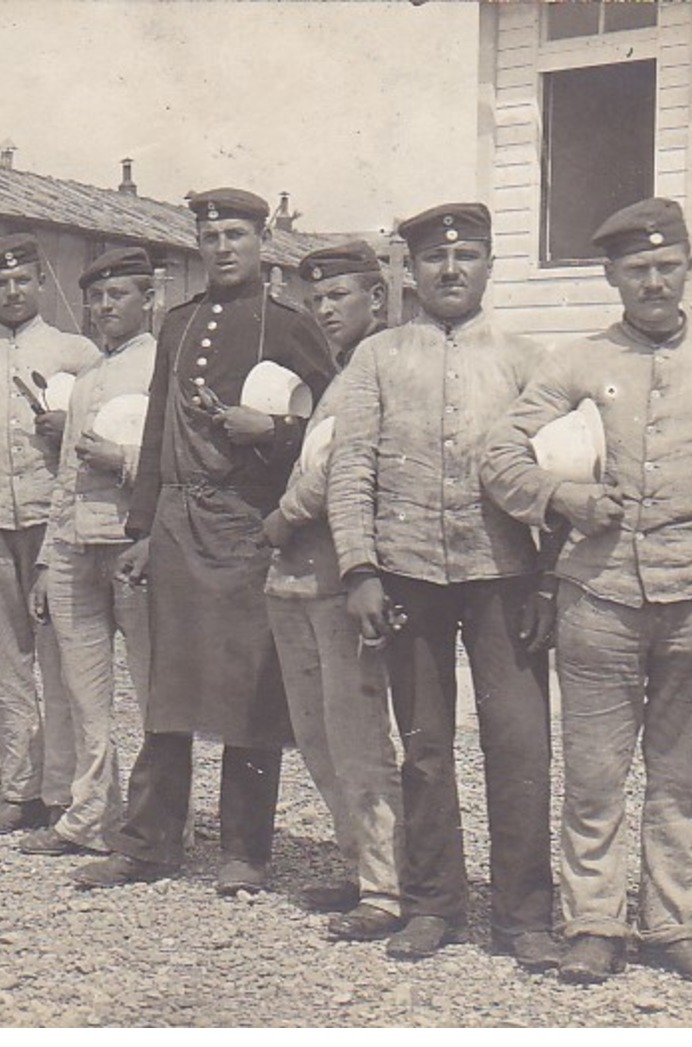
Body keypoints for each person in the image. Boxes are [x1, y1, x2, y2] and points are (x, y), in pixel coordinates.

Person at [482, 198, 692, 984]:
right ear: (611, 276)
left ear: (687, 269)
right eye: (636, 269)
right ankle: (593, 922)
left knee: (685, 773)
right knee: (594, 772)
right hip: (596, 596)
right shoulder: (572, 363)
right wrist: (560, 499)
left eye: (667, 265)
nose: (654, 280)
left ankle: (676, 924)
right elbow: (499, 453)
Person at [73, 188, 336, 895]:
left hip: (247, 530)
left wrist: (273, 433)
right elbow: (159, 428)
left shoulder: (288, 324)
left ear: (261, 242)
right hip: (177, 528)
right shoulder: (180, 324)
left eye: (236, 235)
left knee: (250, 691)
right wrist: (140, 529)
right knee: (168, 693)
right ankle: (147, 842)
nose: (222, 247)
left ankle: (244, 851)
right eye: (211, 235)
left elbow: (334, 423)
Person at [325, 203, 561, 968]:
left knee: (519, 744)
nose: (449, 271)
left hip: (506, 577)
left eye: (466, 256)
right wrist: (359, 568)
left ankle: (523, 914)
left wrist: (547, 579)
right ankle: (432, 904)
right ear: (411, 271)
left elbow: (558, 469)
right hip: (407, 575)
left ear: (490, 264)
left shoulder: (528, 360)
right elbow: (350, 465)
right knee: (424, 747)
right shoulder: (379, 357)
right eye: (433, 259)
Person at [262, 240, 405, 940]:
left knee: (356, 738)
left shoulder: (373, 371)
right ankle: (359, 865)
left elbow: (333, 472)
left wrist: (279, 518)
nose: (325, 311)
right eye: (316, 300)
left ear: (376, 300)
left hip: (335, 575)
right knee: (318, 735)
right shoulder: (335, 374)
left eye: (338, 297)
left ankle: (387, 885)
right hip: (295, 581)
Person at [0, 233, 100, 833]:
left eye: (22, 281)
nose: (12, 292)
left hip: (50, 523)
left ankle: (62, 793)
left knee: (61, 663)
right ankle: (19, 790)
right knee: (4, 664)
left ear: (40, 283)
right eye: (0, 284)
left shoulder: (74, 353)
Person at [22, 246, 157, 856]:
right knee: (85, 694)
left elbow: (175, 466)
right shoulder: (87, 380)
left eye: (118, 295)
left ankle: (160, 822)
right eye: (96, 298)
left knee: (153, 690)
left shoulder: (162, 366)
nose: (105, 308)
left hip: (135, 548)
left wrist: (123, 462)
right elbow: (67, 482)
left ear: (147, 300)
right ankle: (90, 818)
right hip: (77, 548)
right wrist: (49, 560)